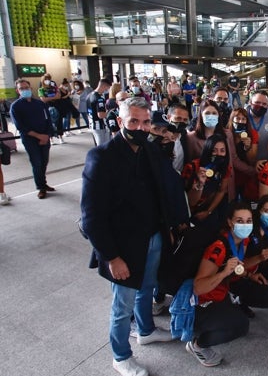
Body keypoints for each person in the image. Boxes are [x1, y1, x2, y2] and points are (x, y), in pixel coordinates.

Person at [81, 97, 185, 376]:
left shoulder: (148, 151)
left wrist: (173, 227)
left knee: (147, 289)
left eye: (146, 121)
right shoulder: (101, 157)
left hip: (153, 236)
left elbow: (165, 188)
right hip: (122, 247)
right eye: (134, 121)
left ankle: (147, 331)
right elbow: (91, 216)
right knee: (122, 304)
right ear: (120, 122)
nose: (140, 127)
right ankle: (120, 355)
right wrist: (111, 257)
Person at [189, 201, 268, 367]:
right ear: (230, 222)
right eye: (240, 221)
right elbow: (198, 287)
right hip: (205, 298)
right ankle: (198, 345)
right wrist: (223, 273)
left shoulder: (242, 240)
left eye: (248, 221)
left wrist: (255, 266)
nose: (245, 225)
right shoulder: (218, 247)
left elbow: (239, 267)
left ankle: (234, 303)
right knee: (241, 325)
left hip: (228, 285)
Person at [10, 79, 55, 199]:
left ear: (31, 88)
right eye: (22, 89)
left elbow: (48, 120)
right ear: (17, 91)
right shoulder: (16, 107)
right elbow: (21, 126)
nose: (25, 90)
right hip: (30, 139)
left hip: (45, 137)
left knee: (44, 162)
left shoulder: (40, 104)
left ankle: (43, 183)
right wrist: (38, 136)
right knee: (37, 163)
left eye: (27, 87)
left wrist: (47, 135)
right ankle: (40, 187)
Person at [87, 78, 113, 146]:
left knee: (99, 145)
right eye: (108, 88)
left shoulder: (89, 95)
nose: (107, 90)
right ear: (105, 86)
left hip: (92, 124)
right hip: (100, 125)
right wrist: (110, 111)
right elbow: (101, 115)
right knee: (102, 146)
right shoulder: (99, 99)